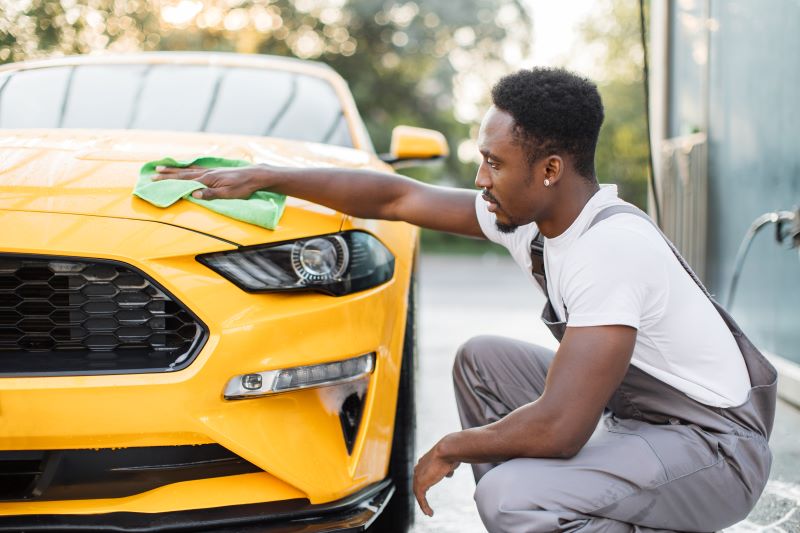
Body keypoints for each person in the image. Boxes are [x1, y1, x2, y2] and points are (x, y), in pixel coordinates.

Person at [154, 68, 776, 533]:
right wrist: (269, 176)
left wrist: (452, 447)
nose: (480, 178)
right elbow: (397, 199)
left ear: (551, 170)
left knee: (509, 499)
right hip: (640, 419)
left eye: (492, 163)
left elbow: (562, 429)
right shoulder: (536, 218)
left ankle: (561, 512)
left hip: (715, 452)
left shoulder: (609, 250)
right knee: (482, 360)